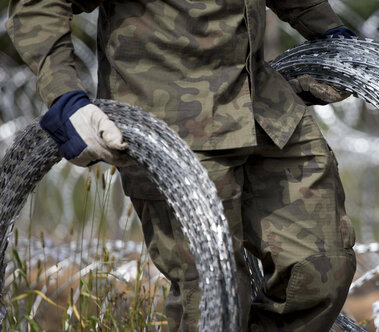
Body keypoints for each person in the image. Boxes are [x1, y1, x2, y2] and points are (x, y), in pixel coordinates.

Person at [7, 1, 357, 331]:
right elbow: (38, 6)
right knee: (215, 298)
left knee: (322, 270)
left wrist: (328, 32)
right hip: (174, 131)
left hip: (269, 112)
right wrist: (66, 98)